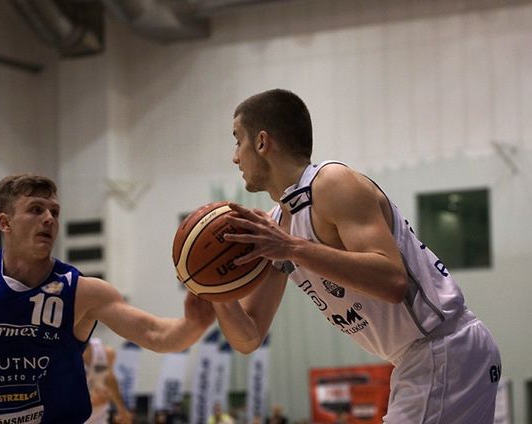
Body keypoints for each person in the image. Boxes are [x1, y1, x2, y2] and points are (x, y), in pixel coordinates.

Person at [212, 89, 502, 423]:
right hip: (427, 359)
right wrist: (215, 292)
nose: (235, 157)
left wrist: (293, 248)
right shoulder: (277, 227)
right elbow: (249, 337)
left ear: (262, 142)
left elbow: (393, 281)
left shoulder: (331, 183)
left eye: (238, 141)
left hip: (444, 348)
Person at [0, 174, 215, 423]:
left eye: (54, 212)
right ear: (5, 223)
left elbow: (155, 333)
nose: (48, 218)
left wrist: (193, 324)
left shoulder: (82, 291)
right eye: (36, 209)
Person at [83, 337, 132, 424]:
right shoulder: (61, 354)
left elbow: (109, 380)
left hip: (99, 417)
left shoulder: (105, 352)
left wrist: (121, 409)